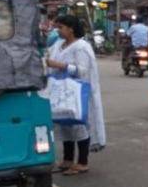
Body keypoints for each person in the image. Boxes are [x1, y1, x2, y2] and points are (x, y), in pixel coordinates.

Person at [45, 15, 106, 175]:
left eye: (61, 27)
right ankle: (68, 159)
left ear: (71, 29)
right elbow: (48, 60)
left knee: (79, 125)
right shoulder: (59, 45)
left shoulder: (81, 47)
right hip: (61, 92)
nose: (58, 31)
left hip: (77, 93)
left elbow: (82, 70)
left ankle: (82, 162)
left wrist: (59, 65)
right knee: (65, 125)